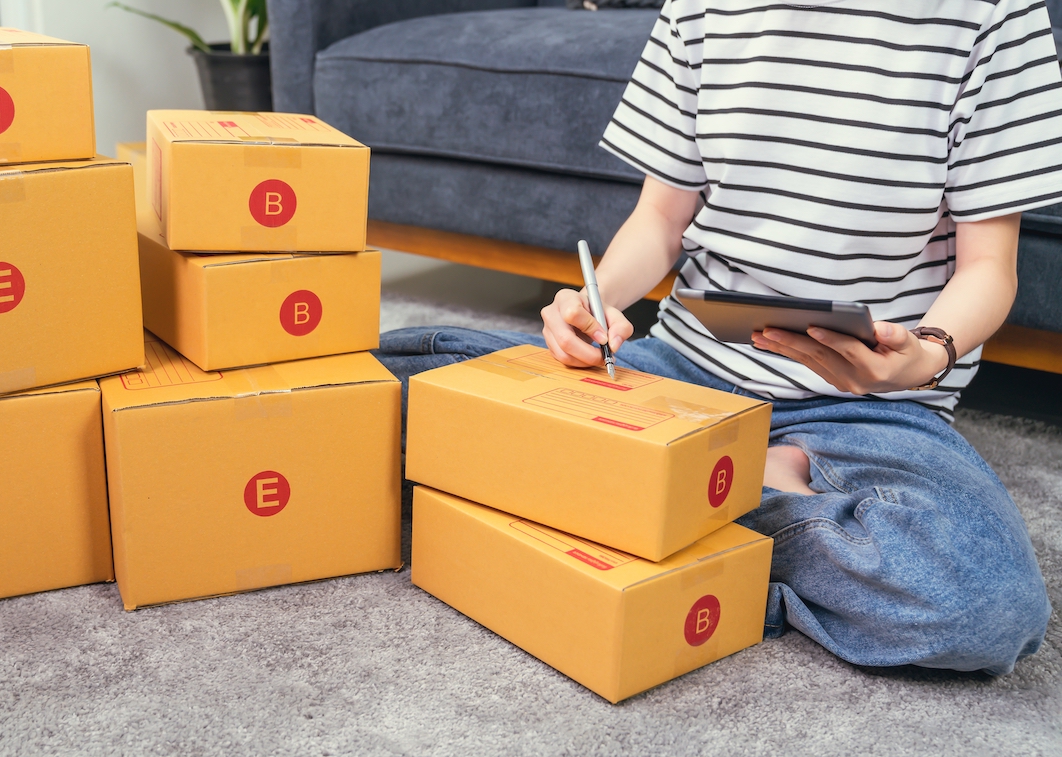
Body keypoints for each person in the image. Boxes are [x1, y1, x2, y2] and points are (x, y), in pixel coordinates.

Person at [375, 0, 1057, 675]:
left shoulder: (992, 15)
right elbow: (659, 222)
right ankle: (695, 492)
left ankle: (673, 487)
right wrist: (595, 302)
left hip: (870, 405)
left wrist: (928, 353)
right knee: (367, 391)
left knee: (985, 607)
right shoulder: (701, 7)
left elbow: (990, 269)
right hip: (682, 369)